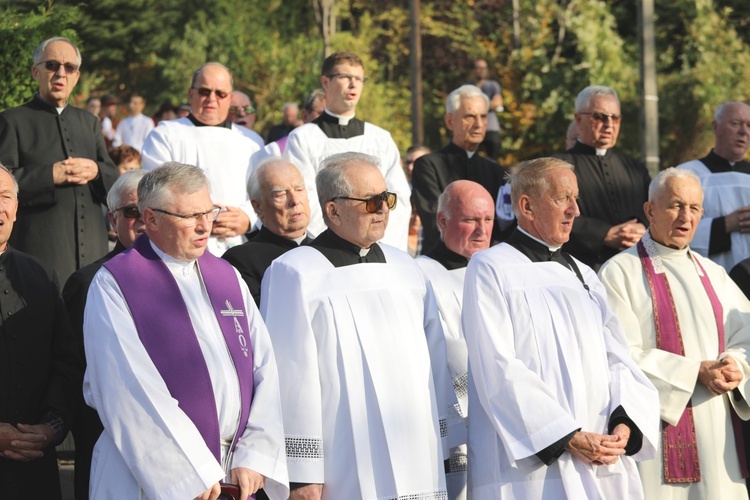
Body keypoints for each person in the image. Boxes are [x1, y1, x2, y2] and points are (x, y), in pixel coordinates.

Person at [83, 162, 289, 499]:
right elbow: (126, 388)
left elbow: (264, 368)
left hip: (235, 467)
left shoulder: (227, 277)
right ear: (151, 219)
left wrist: (257, 453)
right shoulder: (116, 283)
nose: (204, 226)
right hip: (154, 474)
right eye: (189, 216)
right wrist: (189, 470)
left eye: (209, 212)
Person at [463, 157, 659, 498]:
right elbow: (496, 365)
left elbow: (618, 358)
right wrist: (565, 435)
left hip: (601, 453)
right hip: (535, 466)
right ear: (526, 206)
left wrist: (624, 422)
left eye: (576, 198)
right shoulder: (491, 267)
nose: (576, 210)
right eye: (562, 198)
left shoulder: (583, 274)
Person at [261, 152, 449, 499]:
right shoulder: (295, 272)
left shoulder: (406, 267)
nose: (383, 209)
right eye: (371, 201)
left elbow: (437, 359)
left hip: (418, 450)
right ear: (333, 211)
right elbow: (290, 378)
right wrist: (302, 475)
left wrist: (449, 440)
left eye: (386, 198)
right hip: (344, 457)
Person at [599, 168, 750, 499]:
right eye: (676, 205)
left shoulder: (715, 274)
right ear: (650, 210)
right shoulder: (619, 272)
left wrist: (735, 365)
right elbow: (618, 355)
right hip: (656, 432)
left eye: (695, 208)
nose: (686, 217)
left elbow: (745, 340)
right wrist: (694, 371)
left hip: (717, 431)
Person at [0, 36, 118, 283]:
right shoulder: (12, 121)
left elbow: (114, 182)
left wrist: (96, 170)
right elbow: (2, 183)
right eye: (52, 65)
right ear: (36, 72)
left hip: (94, 254)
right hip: (40, 249)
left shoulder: (89, 123)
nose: (60, 73)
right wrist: (48, 175)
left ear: (76, 76)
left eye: (69, 68)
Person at [62, 169, 146, 500]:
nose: (142, 219)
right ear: (113, 219)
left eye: (152, 209)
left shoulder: (188, 279)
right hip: (106, 438)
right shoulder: (87, 282)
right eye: (131, 211)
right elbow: (73, 369)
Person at [0, 163, 82, 500]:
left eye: (4, 197)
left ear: (16, 209)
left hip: (34, 469)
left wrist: (51, 428)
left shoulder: (40, 274)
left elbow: (65, 362)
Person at [284, 51, 411, 251]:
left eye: (359, 78)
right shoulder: (303, 137)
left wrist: (381, 247)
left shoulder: (380, 138)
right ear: (325, 82)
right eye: (345, 77)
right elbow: (304, 198)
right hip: (328, 250)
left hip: (378, 248)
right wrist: (331, 246)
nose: (353, 84)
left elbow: (399, 199)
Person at [416, 180, 494, 500]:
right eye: (470, 220)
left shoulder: (498, 272)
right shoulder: (420, 274)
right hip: (452, 422)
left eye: (487, 220)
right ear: (442, 221)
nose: (481, 230)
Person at [142, 62, 261, 256]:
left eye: (220, 94)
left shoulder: (252, 141)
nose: (211, 99)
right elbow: (157, 194)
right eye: (205, 91)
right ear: (191, 94)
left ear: (230, 98)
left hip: (241, 245)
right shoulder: (165, 135)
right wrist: (202, 218)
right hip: (181, 246)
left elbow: (263, 192)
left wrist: (247, 218)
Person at [553, 85, 651, 270]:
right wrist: (603, 234)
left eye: (615, 118)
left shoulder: (635, 168)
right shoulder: (557, 167)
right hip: (582, 268)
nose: (609, 124)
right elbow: (550, 216)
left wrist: (642, 229)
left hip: (635, 267)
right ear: (579, 119)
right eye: (599, 117)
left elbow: (655, 209)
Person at [412, 84, 506, 251]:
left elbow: (502, 225)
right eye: (469, 116)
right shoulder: (427, 166)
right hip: (440, 264)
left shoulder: (496, 171)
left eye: (483, 117)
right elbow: (434, 221)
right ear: (450, 121)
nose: (478, 124)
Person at [222, 157, 312, 306]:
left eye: (299, 189)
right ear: (258, 207)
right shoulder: (241, 261)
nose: (295, 200)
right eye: (280, 194)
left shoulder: (328, 250)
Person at [677, 102, 750, 271]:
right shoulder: (686, 175)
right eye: (736, 123)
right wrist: (724, 225)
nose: (743, 131)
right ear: (715, 127)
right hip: (705, 277)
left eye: (749, 125)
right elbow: (669, 230)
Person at [470, 59, 503, 160]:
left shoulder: (493, 85)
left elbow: (498, 103)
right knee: (471, 159)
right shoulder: (468, 87)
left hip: (491, 128)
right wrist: (489, 104)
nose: (481, 70)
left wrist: (475, 106)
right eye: (478, 68)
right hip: (473, 128)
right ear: (473, 70)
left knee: (493, 160)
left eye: (484, 68)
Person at [405, 144, 431, 256]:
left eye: (416, 162)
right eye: (408, 162)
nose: (411, 167)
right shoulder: (400, 193)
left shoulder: (441, 194)